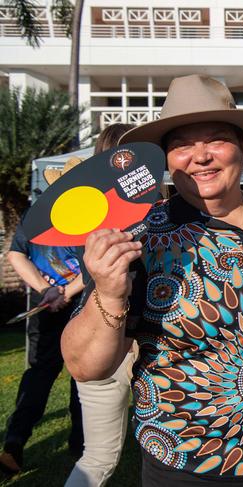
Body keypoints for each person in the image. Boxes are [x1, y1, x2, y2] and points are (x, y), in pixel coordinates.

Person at [61, 74, 243, 486]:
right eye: (182, 144)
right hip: (186, 466)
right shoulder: (144, 235)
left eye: (216, 139)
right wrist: (111, 295)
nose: (200, 156)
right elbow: (84, 365)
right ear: (166, 159)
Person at [64, 123, 138, 487]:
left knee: (97, 456)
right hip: (136, 332)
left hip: (94, 325)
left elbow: (91, 271)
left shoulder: (86, 211)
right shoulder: (151, 211)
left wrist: (68, 289)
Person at [1, 194, 85, 476]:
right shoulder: (87, 212)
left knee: (59, 372)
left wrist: (49, 292)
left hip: (58, 301)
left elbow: (16, 253)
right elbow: (16, 254)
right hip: (68, 303)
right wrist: (52, 292)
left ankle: (16, 443)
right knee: (76, 373)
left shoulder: (36, 213)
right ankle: (77, 447)